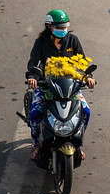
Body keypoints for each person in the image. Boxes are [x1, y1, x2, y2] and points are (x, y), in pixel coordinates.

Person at [25, 10, 95, 160]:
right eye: (59, 27)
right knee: (35, 113)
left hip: (70, 86)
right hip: (47, 86)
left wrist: (88, 77)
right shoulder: (41, 42)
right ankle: (37, 143)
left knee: (86, 112)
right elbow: (33, 61)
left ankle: (78, 143)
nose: (63, 30)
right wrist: (32, 77)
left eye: (65, 27)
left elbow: (82, 62)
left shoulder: (73, 40)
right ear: (49, 26)